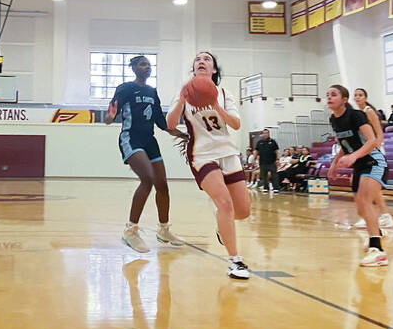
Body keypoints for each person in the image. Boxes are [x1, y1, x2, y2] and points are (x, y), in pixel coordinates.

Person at [166, 51, 251, 279]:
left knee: (242, 211)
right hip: (202, 154)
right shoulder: (184, 92)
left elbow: (235, 124)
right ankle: (235, 261)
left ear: (214, 70)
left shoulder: (224, 93)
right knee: (225, 203)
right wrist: (183, 100)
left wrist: (215, 103)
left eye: (207, 59)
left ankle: (221, 225)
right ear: (194, 68)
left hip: (227, 152)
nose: (201, 61)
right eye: (197, 59)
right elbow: (170, 123)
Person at [104, 55, 185, 253]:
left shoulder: (152, 91)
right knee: (147, 178)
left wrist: (184, 135)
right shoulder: (125, 89)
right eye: (142, 64)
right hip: (131, 138)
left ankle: (164, 230)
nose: (147, 67)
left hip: (150, 140)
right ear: (133, 68)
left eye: (149, 64)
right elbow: (109, 118)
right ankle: (130, 231)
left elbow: (161, 122)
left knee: (162, 185)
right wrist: (110, 117)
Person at [327, 85, 389, 267]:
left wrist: (354, 156)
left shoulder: (356, 115)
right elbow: (344, 144)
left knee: (365, 201)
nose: (329, 97)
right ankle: (374, 235)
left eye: (334, 95)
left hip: (374, 161)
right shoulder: (334, 119)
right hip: (360, 165)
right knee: (361, 208)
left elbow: (372, 141)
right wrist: (334, 163)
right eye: (327, 95)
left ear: (344, 99)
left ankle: (378, 251)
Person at [351, 88, 393, 229]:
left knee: (368, 187)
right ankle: (383, 216)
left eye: (360, 95)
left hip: (373, 152)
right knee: (371, 189)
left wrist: (376, 147)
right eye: (356, 95)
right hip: (363, 151)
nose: (357, 97)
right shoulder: (357, 114)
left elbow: (379, 132)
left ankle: (371, 216)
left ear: (365, 97)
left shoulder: (369, 111)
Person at [254, 129, 279, 193]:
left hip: (272, 162)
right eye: (264, 133)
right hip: (262, 162)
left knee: (274, 175)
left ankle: (275, 188)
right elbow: (256, 151)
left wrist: (277, 159)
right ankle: (266, 187)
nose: (265, 134)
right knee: (264, 176)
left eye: (266, 133)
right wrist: (254, 158)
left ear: (268, 134)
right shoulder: (260, 142)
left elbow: (276, 151)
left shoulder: (273, 141)